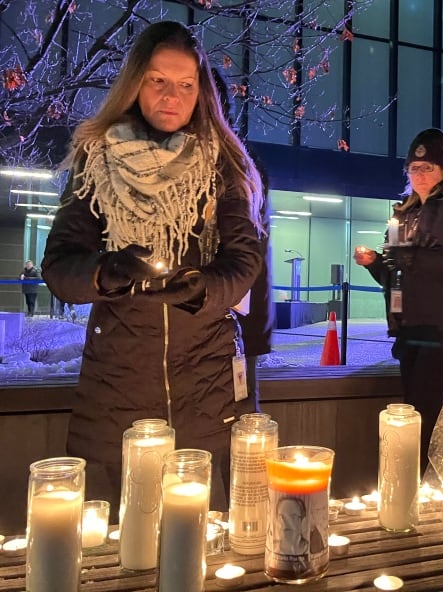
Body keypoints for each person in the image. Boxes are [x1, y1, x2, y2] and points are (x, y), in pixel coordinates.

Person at [41, 21, 265, 519]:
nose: (172, 95)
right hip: (117, 386)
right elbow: (59, 265)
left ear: (200, 92)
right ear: (135, 82)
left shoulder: (222, 164)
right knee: (119, 543)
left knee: (206, 538)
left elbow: (244, 259)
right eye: (158, 80)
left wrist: (203, 289)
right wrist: (105, 271)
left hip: (207, 387)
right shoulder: (95, 162)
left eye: (186, 84)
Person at [353, 128, 443, 469]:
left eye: (428, 167)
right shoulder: (404, 212)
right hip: (410, 327)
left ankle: (414, 484)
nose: (420, 175)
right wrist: (375, 264)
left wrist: (418, 258)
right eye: (414, 169)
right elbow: (395, 274)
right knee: (413, 407)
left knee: (425, 410)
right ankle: (414, 483)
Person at [212, 67, 274, 405]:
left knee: (240, 424)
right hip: (170, 332)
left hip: (232, 321)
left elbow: (252, 258)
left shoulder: (242, 169)